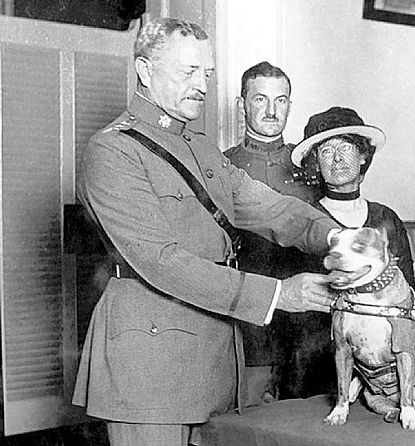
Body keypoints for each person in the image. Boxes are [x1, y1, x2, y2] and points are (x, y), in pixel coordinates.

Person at [71, 18, 340, 446]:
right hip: (150, 375)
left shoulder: (201, 148)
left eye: (208, 74)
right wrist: (278, 294)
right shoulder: (112, 151)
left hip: (214, 363)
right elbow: (163, 262)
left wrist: (336, 237)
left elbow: (268, 205)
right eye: (188, 72)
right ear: (145, 71)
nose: (202, 85)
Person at [290, 106, 415, 397]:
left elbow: (408, 302)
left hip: (383, 377)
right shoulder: (302, 220)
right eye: (325, 150)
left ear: (363, 156)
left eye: (346, 147)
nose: (336, 158)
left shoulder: (387, 220)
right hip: (318, 371)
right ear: (316, 163)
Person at [224, 62, 323, 401]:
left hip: (307, 328)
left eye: (280, 101)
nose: (271, 110)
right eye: (260, 99)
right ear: (242, 105)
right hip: (250, 327)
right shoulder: (221, 167)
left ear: (290, 106)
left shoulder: (311, 167)